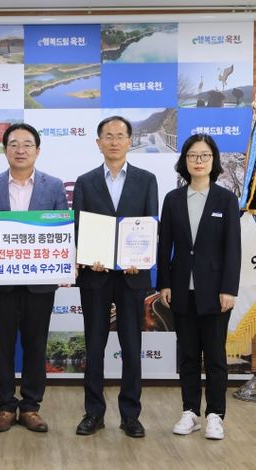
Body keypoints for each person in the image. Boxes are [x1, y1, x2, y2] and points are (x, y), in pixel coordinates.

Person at [0, 123, 68, 433]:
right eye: (14, 144)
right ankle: (4, 406)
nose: (20, 149)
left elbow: (62, 231)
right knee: (0, 346)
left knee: (35, 345)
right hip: (0, 283)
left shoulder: (53, 186)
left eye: (27, 144)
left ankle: (30, 406)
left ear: (37, 151)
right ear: (5, 150)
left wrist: (63, 265)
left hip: (39, 284)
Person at [72, 116, 158, 438]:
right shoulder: (85, 181)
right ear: (98, 143)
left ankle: (130, 415)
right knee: (94, 348)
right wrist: (86, 257)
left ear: (130, 141)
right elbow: (79, 227)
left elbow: (150, 224)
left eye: (120, 135)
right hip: (95, 277)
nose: (114, 141)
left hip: (132, 278)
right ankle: (93, 413)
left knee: (132, 348)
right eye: (107, 136)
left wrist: (141, 259)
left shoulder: (147, 180)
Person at [157, 133, 241, 440]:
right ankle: (190, 412)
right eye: (193, 155)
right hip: (182, 290)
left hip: (216, 292)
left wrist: (229, 288)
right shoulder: (173, 199)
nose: (199, 161)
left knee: (215, 356)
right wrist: (164, 283)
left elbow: (233, 248)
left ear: (213, 160)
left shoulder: (226, 200)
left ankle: (215, 415)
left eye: (205, 155)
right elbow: (164, 246)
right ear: (185, 161)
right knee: (189, 356)